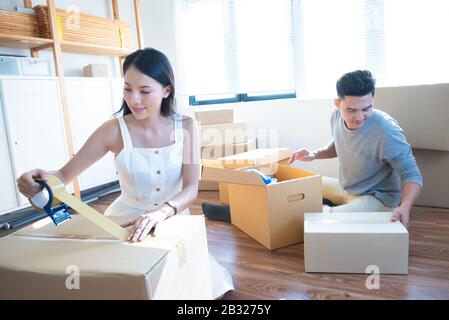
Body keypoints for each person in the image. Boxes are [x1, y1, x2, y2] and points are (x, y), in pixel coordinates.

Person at [17, 47, 233, 298]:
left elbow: (190, 189)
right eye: (128, 89)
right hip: (122, 222)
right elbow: (63, 176)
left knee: (196, 288)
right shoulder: (113, 130)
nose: (134, 99)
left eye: (144, 91)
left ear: (166, 90)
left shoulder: (187, 126)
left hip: (172, 218)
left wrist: (160, 213)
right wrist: (37, 183)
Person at [289, 70, 423, 229]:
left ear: (372, 100)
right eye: (351, 110)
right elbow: (340, 144)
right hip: (346, 188)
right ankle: (333, 208)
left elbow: (412, 175)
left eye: (366, 108)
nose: (360, 117)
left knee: (320, 223)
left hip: (377, 198)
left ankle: (332, 210)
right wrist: (314, 154)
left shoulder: (387, 131)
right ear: (338, 104)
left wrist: (405, 206)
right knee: (299, 186)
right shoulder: (336, 116)